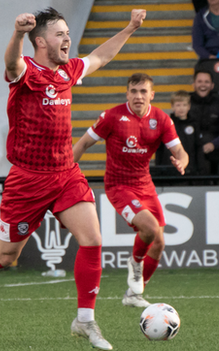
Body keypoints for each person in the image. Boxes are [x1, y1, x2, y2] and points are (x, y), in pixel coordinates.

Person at [0, 7, 146, 350]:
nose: (67, 39)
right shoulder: (26, 72)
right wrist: (17, 33)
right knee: (6, 255)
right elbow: (10, 64)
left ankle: (85, 320)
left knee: (93, 240)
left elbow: (100, 57)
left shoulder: (68, 70)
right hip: (28, 179)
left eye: (68, 33)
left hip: (66, 172)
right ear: (40, 41)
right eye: (59, 34)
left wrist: (130, 28)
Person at [73, 73, 188, 308]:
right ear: (127, 94)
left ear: (151, 95)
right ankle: (136, 263)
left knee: (158, 244)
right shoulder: (112, 117)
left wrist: (182, 161)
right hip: (119, 186)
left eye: (143, 91)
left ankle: (133, 295)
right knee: (150, 228)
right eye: (133, 91)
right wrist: (64, 173)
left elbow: (181, 152)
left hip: (145, 185)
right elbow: (83, 143)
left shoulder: (162, 119)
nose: (138, 96)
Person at [190, 70, 219, 174]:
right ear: (194, 84)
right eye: (199, 81)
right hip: (189, 154)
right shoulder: (185, 102)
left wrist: (213, 145)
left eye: (206, 82)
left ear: (212, 85)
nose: (203, 85)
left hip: (213, 154)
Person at [156, 90, 204, 175]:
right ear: (172, 106)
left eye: (184, 105)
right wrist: (159, 168)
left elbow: (198, 147)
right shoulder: (166, 123)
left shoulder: (194, 124)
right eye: (178, 105)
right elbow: (160, 149)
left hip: (190, 169)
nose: (181, 108)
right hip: (169, 168)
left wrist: (199, 168)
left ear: (189, 106)